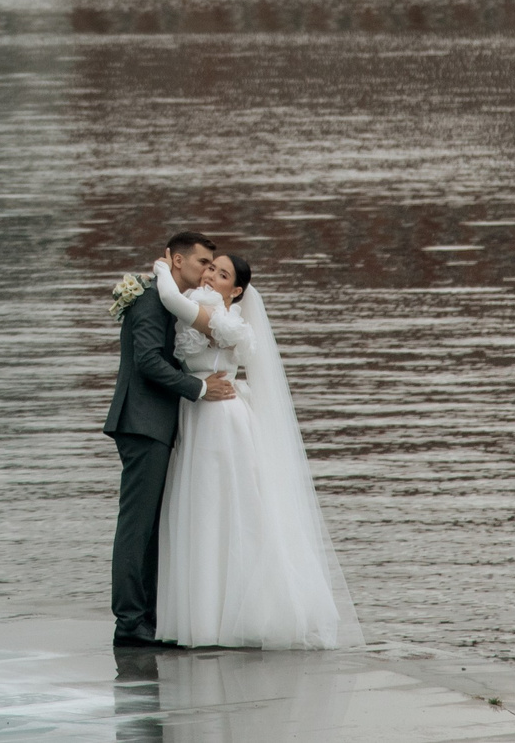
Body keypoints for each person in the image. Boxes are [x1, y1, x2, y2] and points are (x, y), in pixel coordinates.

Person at [147, 254, 364, 650]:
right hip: (200, 411)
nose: (210, 276)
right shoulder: (211, 308)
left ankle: (221, 617)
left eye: (221, 274)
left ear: (237, 291)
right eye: (210, 268)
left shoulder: (221, 319)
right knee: (205, 509)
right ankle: (207, 613)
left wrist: (163, 267)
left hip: (217, 417)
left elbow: (170, 298)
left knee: (217, 509)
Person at [104, 232, 235, 647]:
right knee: (137, 526)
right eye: (202, 263)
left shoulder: (169, 298)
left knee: (152, 527)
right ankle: (130, 621)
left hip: (155, 423)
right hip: (142, 422)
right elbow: (147, 361)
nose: (207, 272)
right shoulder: (149, 299)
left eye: (213, 266)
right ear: (177, 261)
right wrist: (199, 388)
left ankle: (149, 615)